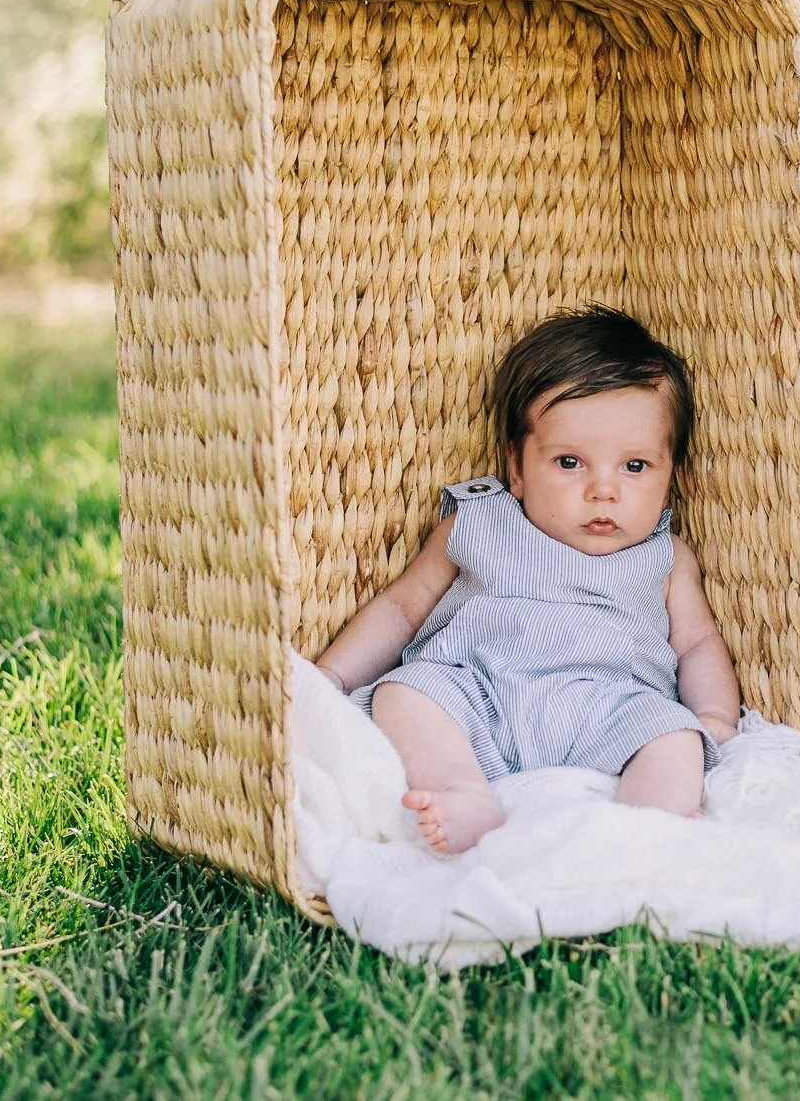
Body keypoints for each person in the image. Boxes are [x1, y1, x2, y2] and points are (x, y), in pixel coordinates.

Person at [314, 306, 741, 854]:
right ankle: (463, 792)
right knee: (405, 693)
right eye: (569, 462)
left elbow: (698, 644)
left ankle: (644, 833)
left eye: (634, 467)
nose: (602, 490)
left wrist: (714, 717)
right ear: (516, 467)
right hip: (478, 694)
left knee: (675, 736)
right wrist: (331, 676)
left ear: (670, 474)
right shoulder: (476, 523)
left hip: (608, 711)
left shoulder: (666, 557)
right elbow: (402, 610)